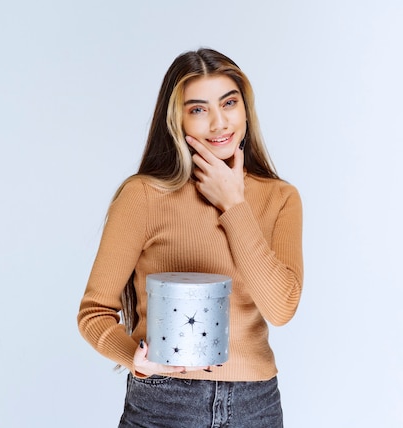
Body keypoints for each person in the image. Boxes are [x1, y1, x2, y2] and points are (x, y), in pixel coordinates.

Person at [77, 47, 303, 428]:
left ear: (245, 108)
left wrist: (234, 204)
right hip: (164, 401)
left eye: (228, 103)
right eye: (198, 109)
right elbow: (94, 313)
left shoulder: (280, 198)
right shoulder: (143, 196)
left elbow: (281, 309)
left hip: (256, 406)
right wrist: (135, 358)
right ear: (176, 120)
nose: (218, 123)